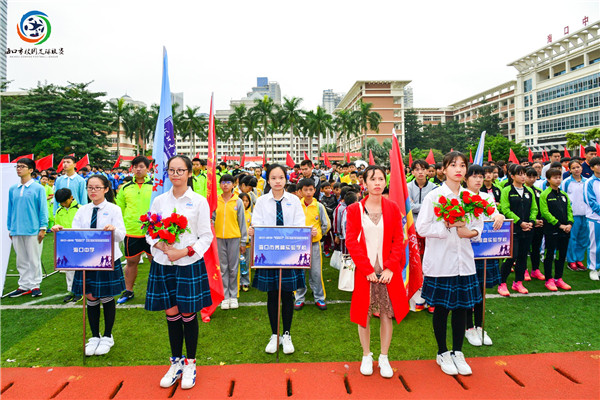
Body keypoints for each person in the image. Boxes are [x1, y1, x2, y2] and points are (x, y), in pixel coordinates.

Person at [145, 155, 213, 390]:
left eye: (180, 170)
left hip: (188, 264)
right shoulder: (160, 201)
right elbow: (150, 231)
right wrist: (162, 246)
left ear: (189, 173)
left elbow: (206, 236)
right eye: (171, 170)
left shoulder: (199, 201)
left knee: (187, 313)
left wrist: (184, 251)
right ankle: (176, 362)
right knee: (171, 313)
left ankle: (191, 363)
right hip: (163, 262)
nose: (175, 174)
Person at [416, 152, 483, 376]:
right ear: (443, 169)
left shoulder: (470, 197)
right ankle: (442, 352)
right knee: (442, 308)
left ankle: (458, 351)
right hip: (441, 261)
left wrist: (470, 232)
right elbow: (422, 228)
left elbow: (479, 226)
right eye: (453, 165)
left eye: (462, 165)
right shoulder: (434, 196)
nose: (458, 169)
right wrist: (447, 225)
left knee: (463, 307)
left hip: (464, 261)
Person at [345, 165, 409, 379]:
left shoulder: (392, 208)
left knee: (386, 313)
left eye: (381, 178)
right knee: (363, 313)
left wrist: (391, 267)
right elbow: (351, 242)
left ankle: (383, 356)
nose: (378, 183)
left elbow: (398, 240)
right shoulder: (354, 209)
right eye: (373, 179)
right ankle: (366, 355)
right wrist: (366, 269)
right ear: (364, 183)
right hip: (365, 270)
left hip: (387, 270)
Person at [63, 175, 126, 356]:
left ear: (106, 189)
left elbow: (121, 234)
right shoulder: (82, 210)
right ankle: (94, 336)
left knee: (106, 296)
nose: (93, 191)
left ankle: (107, 336)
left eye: (97, 187)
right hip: (87, 259)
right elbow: (75, 233)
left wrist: (113, 230)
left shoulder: (113, 209)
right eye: (90, 187)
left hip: (107, 258)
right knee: (90, 296)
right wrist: (61, 231)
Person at [248, 164, 306, 355]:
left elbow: (299, 224)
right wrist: (253, 231)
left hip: (289, 254)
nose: (277, 181)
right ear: (268, 180)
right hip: (269, 255)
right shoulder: (262, 201)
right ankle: (275, 334)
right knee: (273, 294)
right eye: (273, 178)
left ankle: (287, 334)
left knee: (288, 294)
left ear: (286, 179)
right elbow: (257, 223)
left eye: (281, 177)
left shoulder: (294, 201)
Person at [463, 165, 504, 347]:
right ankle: (468, 327)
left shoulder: (487, 197)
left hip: (482, 251)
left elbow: (493, 214)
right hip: (464, 250)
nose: (478, 180)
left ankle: (479, 326)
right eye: (474, 177)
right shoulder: (460, 197)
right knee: (466, 290)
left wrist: (499, 216)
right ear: (466, 179)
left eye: (481, 176)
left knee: (481, 290)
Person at [6, 158, 48, 298]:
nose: (19, 169)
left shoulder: (38, 188)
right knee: (21, 259)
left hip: (33, 229)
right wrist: (10, 228)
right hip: (17, 229)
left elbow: (42, 209)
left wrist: (43, 228)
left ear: (30, 170)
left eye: (22, 166)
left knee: (33, 258)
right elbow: (10, 210)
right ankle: (24, 285)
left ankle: (35, 285)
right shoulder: (13, 189)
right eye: (17, 167)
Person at [115, 156, 154, 304]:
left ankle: (157, 290)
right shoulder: (125, 188)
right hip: (131, 231)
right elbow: (119, 209)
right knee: (131, 261)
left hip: (152, 231)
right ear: (132, 168)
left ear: (148, 169)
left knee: (155, 261)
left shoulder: (155, 186)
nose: (138, 169)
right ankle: (129, 290)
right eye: (135, 166)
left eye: (142, 166)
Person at [498, 164, 538, 296]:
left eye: (524, 174)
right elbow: (505, 209)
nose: (523, 177)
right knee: (511, 256)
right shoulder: (507, 190)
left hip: (528, 229)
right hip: (513, 228)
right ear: (512, 175)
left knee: (522, 256)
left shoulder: (529, 191)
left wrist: (531, 222)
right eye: (520, 174)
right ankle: (502, 282)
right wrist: (520, 222)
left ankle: (518, 282)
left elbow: (534, 208)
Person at [294, 178, 330, 311]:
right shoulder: (296, 206)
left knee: (316, 272)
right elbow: (293, 225)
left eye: (311, 189)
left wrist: (318, 235)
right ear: (300, 192)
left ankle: (319, 297)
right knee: (300, 272)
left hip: (314, 245)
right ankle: (299, 297)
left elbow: (326, 225)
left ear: (315, 190)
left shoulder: (319, 206)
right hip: (299, 245)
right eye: (305, 190)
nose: (308, 192)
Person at [214, 174, 247, 310]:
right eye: (223, 182)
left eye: (228, 182)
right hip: (218, 238)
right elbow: (212, 218)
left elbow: (242, 221)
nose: (225, 185)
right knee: (223, 269)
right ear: (220, 185)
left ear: (233, 184)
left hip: (234, 238)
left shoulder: (237, 201)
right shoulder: (216, 200)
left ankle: (233, 296)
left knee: (233, 268)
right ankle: (225, 296)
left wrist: (243, 241)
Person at [539, 168, 573, 291]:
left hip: (565, 230)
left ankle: (559, 278)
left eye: (559, 177)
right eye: (555, 177)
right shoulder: (545, 194)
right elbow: (545, 212)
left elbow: (569, 209)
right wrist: (559, 224)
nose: (558, 180)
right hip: (551, 229)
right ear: (548, 179)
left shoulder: (564, 195)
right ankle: (549, 279)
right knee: (549, 254)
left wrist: (569, 223)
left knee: (561, 255)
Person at [53, 188, 82, 303]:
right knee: (69, 268)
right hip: (65, 243)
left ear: (71, 198)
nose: (63, 204)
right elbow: (57, 226)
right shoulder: (59, 211)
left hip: (79, 242)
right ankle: (71, 290)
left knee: (80, 267)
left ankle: (80, 290)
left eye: (64, 202)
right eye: (60, 203)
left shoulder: (80, 209)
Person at [561, 159, 589, 271]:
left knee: (584, 239)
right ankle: (571, 260)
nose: (576, 169)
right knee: (572, 238)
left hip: (586, 214)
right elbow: (563, 198)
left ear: (582, 168)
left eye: (578, 167)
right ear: (569, 170)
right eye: (573, 168)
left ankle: (579, 259)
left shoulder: (587, 182)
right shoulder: (566, 182)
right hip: (573, 215)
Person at [524, 168, 547, 281]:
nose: (532, 179)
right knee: (524, 249)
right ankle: (524, 269)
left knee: (536, 248)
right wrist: (532, 221)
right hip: (526, 224)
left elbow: (542, 207)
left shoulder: (539, 191)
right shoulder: (521, 190)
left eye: (534, 177)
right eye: (529, 176)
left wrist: (540, 220)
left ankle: (535, 269)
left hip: (538, 224)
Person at [238, 192, 253, 292]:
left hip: (247, 244)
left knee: (246, 263)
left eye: (247, 201)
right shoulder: (236, 213)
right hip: (236, 243)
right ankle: (238, 282)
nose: (244, 203)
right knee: (237, 264)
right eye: (242, 200)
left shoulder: (251, 215)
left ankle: (245, 282)